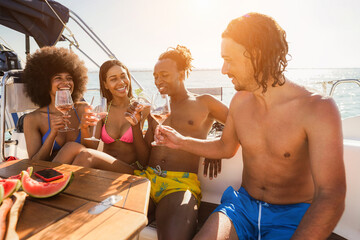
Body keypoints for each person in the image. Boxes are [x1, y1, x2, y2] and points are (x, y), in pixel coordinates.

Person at [155, 13, 346, 240]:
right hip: (241, 208)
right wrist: (181, 141)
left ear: (256, 55)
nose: (224, 69)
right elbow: (226, 147)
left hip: (292, 215)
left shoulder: (317, 109)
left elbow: (331, 195)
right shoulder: (240, 102)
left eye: (229, 59)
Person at [132, 45, 228, 240]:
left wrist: (216, 144)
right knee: (109, 223)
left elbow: (241, 123)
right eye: (155, 76)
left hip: (180, 183)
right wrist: (135, 125)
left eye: (164, 75)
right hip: (147, 178)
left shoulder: (204, 102)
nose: (158, 80)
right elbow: (144, 156)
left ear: (182, 74)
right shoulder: (156, 109)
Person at [52, 60, 149, 174]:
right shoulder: (102, 110)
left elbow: (145, 159)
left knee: (87, 155)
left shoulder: (140, 108)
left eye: (123, 76)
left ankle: (52, 185)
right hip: (106, 168)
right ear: (105, 85)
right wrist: (84, 128)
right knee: (71, 146)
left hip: (131, 169)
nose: (121, 82)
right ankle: (46, 182)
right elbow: (92, 147)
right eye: (113, 79)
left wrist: (136, 124)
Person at [23, 46, 88, 161]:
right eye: (58, 78)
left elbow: (90, 151)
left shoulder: (83, 109)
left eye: (69, 78)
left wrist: (85, 128)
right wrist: (52, 134)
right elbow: (35, 162)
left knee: (72, 147)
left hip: (81, 170)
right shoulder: (32, 119)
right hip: (50, 175)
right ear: (44, 83)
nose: (66, 82)